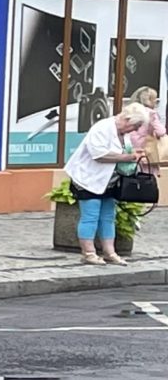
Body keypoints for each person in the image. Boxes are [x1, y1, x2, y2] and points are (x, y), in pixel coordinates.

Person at [65, 104, 150, 266]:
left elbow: (123, 153)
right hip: (88, 178)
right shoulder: (102, 128)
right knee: (91, 216)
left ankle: (110, 252)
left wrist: (134, 156)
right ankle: (88, 253)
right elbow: (99, 155)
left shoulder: (123, 133)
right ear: (127, 119)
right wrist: (129, 157)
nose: (136, 130)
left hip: (109, 181)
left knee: (108, 217)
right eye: (136, 125)